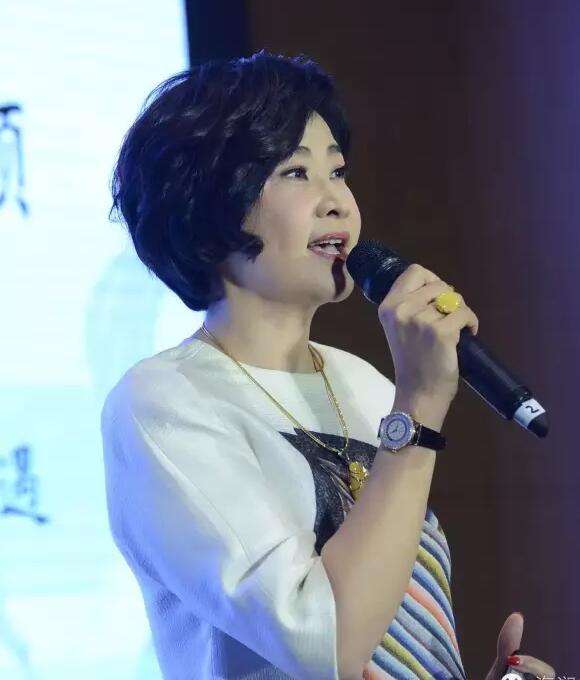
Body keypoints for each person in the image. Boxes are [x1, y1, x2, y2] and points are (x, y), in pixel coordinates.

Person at [101, 51, 555, 679]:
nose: (337, 201)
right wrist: (420, 406)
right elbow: (325, 645)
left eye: (337, 171)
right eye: (296, 172)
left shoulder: (362, 383)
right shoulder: (166, 401)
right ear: (206, 207)